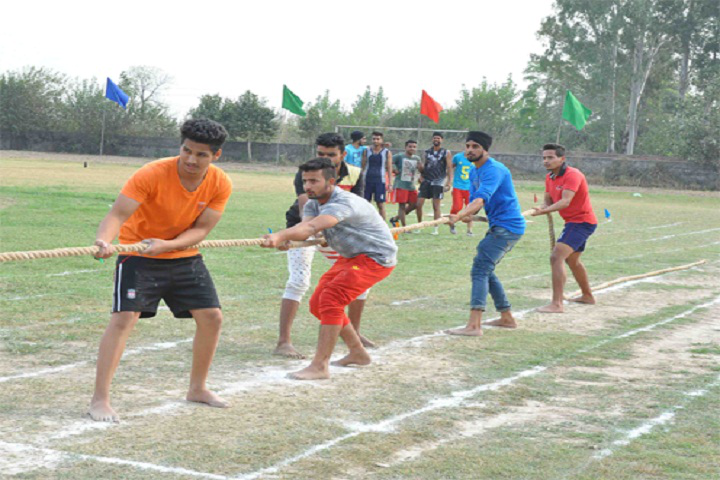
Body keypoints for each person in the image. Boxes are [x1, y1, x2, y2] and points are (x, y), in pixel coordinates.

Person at [88, 119, 233, 422]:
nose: (191, 159)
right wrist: (104, 240)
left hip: (183, 255)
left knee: (212, 317)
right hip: (137, 254)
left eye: (201, 155)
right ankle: (100, 399)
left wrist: (167, 245)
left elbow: (202, 229)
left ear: (215, 156)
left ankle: (198, 388)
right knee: (123, 319)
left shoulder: (220, 183)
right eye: (187, 150)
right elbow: (117, 214)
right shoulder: (152, 173)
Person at [262, 157, 397, 380]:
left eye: (314, 181)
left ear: (331, 181)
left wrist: (281, 235)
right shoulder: (314, 202)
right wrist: (287, 239)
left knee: (332, 300)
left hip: (375, 258)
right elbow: (306, 228)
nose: (307, 186)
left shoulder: (342, 202)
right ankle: (357, 352)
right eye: (305, 181)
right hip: (353, 257)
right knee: (318, 305)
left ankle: (320, 366)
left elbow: (313, 226)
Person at [276, 132, 375, 359]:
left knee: (359, 279)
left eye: (331, 154)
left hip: (338, 231)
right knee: (299, 280)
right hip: (304, 228)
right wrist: (304, 235)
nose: (326, 158)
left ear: (343, 154)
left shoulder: (355, 173)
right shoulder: (307, 172)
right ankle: (284, 342)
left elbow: (358, 207)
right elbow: (305, 211)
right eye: (321, 153)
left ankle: (355, 334)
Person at [446, 131, 525, 336]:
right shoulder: (474, 171)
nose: (470, 150)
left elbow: (480, 200)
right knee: (486, 269)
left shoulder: (495, 170)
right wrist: (467, 215)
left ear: (485, 149)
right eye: (468, 146)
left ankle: (474, 326)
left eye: (475, 147)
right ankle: (506, 317)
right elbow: (477, 204)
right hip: (499, 225)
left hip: (507, 228)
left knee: (480, 270)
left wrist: (459, 214)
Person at [532, 143, 598, 313]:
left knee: (556, 257)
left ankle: (557, 304)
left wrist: (545, 210)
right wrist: (542, 207)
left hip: (582, 222)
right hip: (571, 222)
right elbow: (549, 199)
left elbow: (565, 201)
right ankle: (587, 296)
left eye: (550, 157)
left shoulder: (573, 175)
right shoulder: (550, 177)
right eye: (544, 158)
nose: (546, 161)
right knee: (572, 261)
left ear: (562, 159)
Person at [417, 132, 452, 235]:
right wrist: (421, 173)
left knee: (436, 206)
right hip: (427, 180)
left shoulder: (446, 152)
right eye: (434, 138)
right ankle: (419, 226)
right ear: (432, 140)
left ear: (442, 140)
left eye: (438, 138)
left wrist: (449, 182)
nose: (436, 140)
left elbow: (449, 167)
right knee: (419, 204)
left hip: (438, 180)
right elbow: (425, 165)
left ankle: (435, 228)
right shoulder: (427, 152)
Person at [361, 131, 393, 220]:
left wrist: (390, 183)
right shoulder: (366, 151)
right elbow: (362, 166)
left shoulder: (387, 152)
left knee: (380, 204)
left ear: (382, 140)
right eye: (374, 139)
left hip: (380, 181)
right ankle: (365, 223)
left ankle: (383, 226)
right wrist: (361, 180)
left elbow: (389, 168)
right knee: (366, 203)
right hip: (367, 180)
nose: (375, 141)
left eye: (378, 139)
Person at [391, 140, 421, 227]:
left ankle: (395, 218)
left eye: (414, 147)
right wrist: (394, 168)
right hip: (401, 184)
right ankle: (404, 227)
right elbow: (389, 161)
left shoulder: (417, 158)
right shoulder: (400, 156)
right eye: (410, 146)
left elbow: (421, 169)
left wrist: (421, 172)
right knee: (402, 206)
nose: (412, 148)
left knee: (415, 204)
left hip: (411, 185)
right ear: (405, 147)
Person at [449, 151, 475, 235]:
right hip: (458, 186)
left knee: (470, 209)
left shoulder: (476, 158)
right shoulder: (458, 157)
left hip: (470, 188)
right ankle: (452, 224)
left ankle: (470, 230)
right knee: (457, 207)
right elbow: (450, 168)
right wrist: (449, 180)